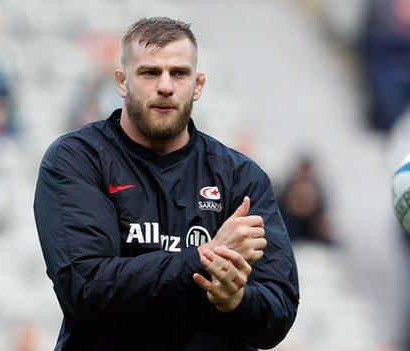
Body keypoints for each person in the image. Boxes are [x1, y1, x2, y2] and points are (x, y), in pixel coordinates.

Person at [33, 17, 299, 350]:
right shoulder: (78, 160)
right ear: (122, 81)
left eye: (179, 73)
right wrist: (206, 256)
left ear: (198, 84)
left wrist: (236, 300)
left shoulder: (240, 176)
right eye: (149, 73)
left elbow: (279, 312)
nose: (165, 86)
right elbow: (87, 289)